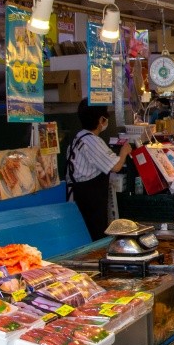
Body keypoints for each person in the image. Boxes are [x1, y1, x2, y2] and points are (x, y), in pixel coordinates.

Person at [66, 99, 133, 241]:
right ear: (101, 119)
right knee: (94, 235)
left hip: (80, 193)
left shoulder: (79, 136)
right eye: (105, 117)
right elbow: (116, 166)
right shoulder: (92, 141)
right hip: (88, 197)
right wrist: (124, 151)